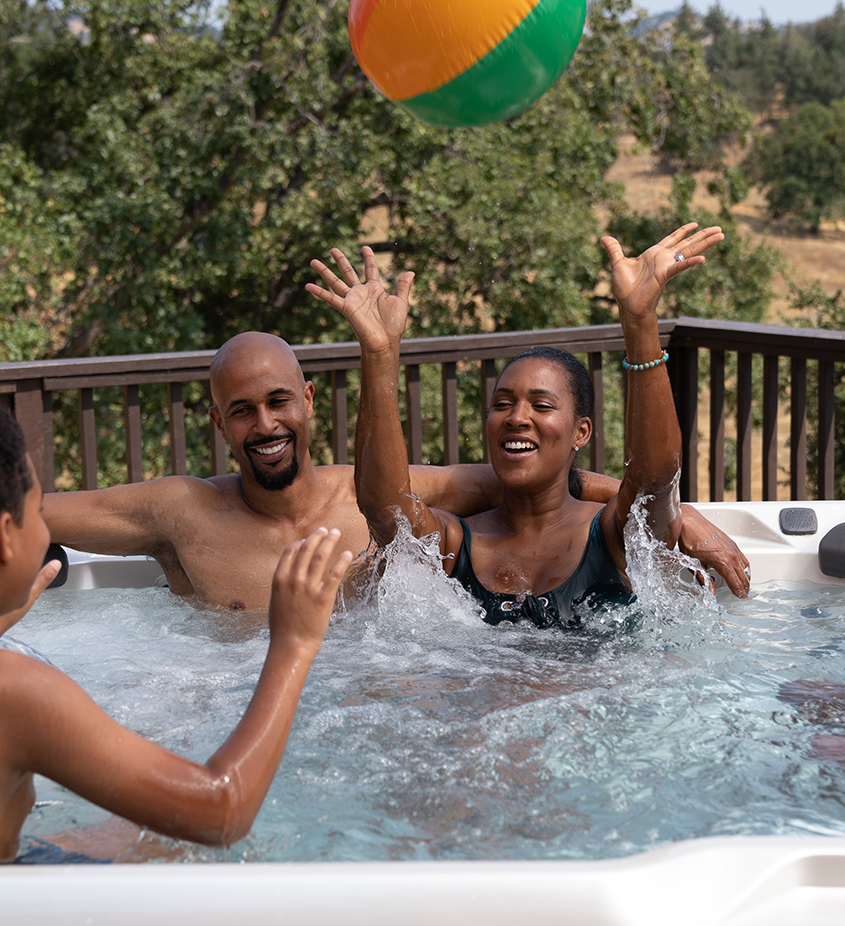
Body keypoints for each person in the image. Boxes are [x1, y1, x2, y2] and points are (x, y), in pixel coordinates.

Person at [0, 335, 751, 611]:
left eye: (279, 402)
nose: (265, 424)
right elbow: (21, 510)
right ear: (220, 423)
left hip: (378, 695)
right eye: (242, 410)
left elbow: (524, 478)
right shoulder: (175, 513)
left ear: (308, 406)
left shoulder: (373, 491)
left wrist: (678, 521)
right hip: (224, 701)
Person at [0, 394, 352, 862]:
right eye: (39, 513)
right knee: (169, 852)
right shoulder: (15, 690)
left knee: (121, 839)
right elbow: (220, 811)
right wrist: (293, 644)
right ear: (4, 538)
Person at [307, 224, 724, 627]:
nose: (517, 418)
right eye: (502, 404)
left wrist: (640, 322)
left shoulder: (613, 534)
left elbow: (653, 480)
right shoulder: (456, 544)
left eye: (541, 406)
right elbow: (387, 513)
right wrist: (379, 353)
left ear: (582, 432)